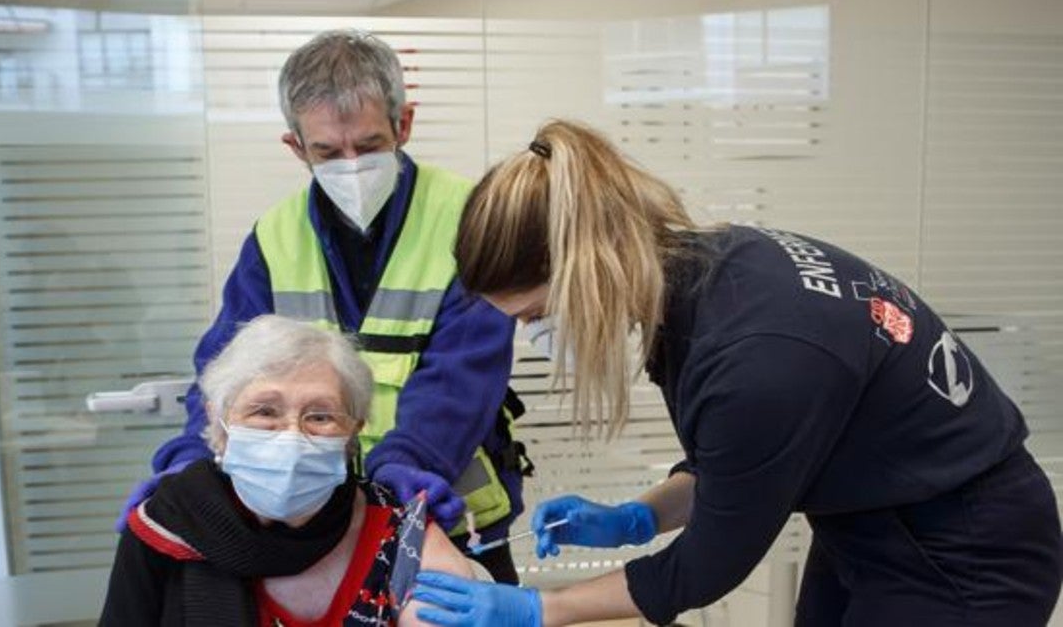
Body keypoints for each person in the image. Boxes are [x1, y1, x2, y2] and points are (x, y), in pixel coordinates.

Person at [411, 119, 1063, 626]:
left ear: (589, 272)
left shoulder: (757, 352)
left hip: (964, 551)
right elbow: (738, 467)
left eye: (536, 313)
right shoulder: (709, 277)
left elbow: (705, 568)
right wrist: (636, 518)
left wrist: (538, 609)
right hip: (869, 524)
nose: (534, 336)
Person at [116, 29, 528, 584]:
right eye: (328, 153)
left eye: (370, 145)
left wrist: (407, 463)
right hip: (312, 525)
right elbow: (225, 374)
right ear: (296, 147)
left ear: (403, 125)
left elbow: (463, 373)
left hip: (439, 510)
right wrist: (193, 460)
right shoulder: (275, 237)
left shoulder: (470, 219)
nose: (351, 166)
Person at [99, 315, 476, 625]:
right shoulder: (164, 527)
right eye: (264, 411)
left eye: (320, 416)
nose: (292, 437)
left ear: (353, 432)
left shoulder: (402, 533)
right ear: (218, 422)